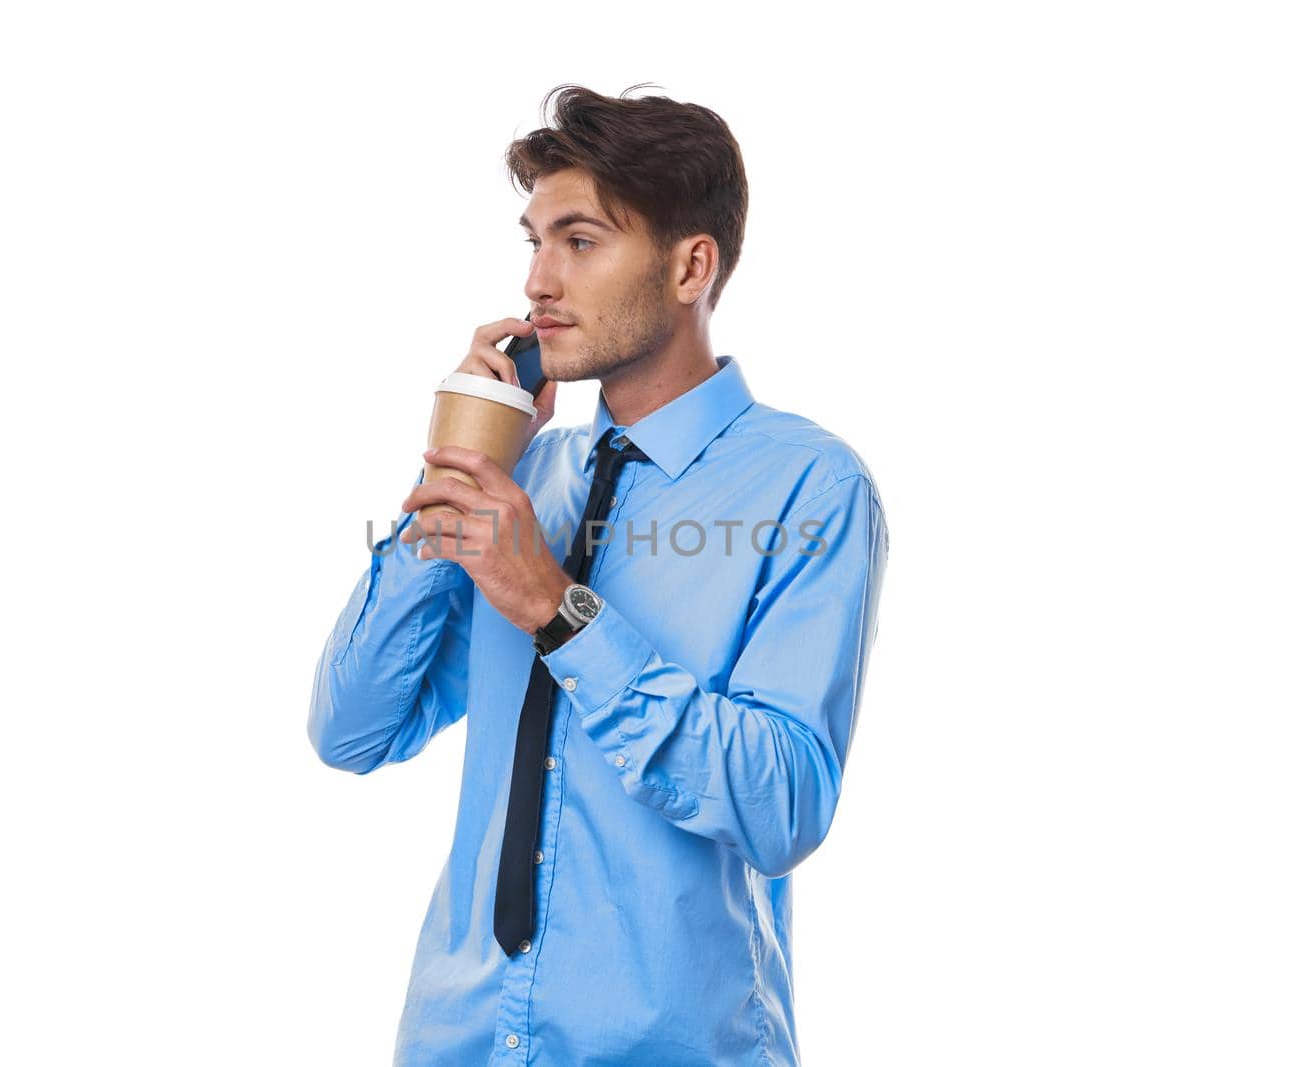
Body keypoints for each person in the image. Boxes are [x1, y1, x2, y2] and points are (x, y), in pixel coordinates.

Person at [307, 83, 888, 1066]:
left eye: (578, 241)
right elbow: (352, 728)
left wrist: (557, 607)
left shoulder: (810, 486)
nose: (537, 280)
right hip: (460, 1040)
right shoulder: (522, 477)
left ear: (688, 265)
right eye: (531, 240)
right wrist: (455, 462)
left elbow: (782, 804)